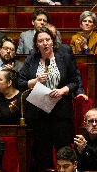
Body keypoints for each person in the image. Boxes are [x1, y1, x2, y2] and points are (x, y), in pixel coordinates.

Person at [18, 27, 78, 171]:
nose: (45, 43)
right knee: (42, 152)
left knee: (63, 149)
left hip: (61, 111)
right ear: (36, 44)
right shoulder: (31, 59)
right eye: (41, 41)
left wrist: (62, 90)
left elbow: (74, 81)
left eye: (47, 40)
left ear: (53, 41)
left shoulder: (64, 56)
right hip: (39, 113)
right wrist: (35, 81)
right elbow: (20, 82)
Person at [45, 23, 88, 100]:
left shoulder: (65, 50)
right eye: (48, 36)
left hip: (62, 95)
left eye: (53, 36)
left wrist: (80, 92)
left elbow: (75, 75)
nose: (51, 39)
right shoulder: (34, 53)